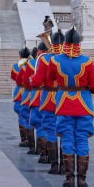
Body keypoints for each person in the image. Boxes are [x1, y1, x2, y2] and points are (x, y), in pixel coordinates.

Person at [50, 28, 94, 187]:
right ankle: (81, 179)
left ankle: (69, 178)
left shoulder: (55, 60)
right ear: (79, 42)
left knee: (67, 139)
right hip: (83, 105)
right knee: (82, 140)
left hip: (64, 103)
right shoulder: (87, 62)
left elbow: (50, 78)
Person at [34, 30, 65, 174]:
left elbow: (37, 81)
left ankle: (54, 165)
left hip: (48, 98)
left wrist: (35, 82)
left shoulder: (45, 59)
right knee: (64, 131)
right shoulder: (69, 59)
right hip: (64, 98)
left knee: (50, 129)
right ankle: (64, 165)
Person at [10, 47, 30, 148]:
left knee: (21, 114)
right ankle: (30, 138)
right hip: (30, 91)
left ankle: (24, 138)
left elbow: (13, 77)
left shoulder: (15, 66)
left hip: (20, 91)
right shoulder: (32, 65)